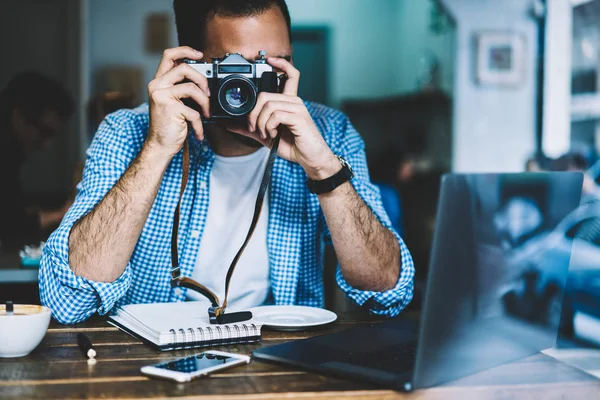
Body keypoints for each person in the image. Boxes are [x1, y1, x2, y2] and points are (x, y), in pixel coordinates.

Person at [39, 0, 415, 324]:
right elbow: (68, 302)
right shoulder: (127, 132)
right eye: (234, 68)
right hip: (145, 367)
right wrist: (156, 151)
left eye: (273, 66)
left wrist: (323, 170)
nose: (250, 88)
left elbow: (388, 292)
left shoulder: (328, 133)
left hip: (280, 366)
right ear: (191, 65)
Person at [0, 72, 74, 252]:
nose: (46, 145)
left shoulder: (12, 153)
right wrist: (59, 215)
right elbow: (7, 224)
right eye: (43, 132)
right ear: (19, 117)